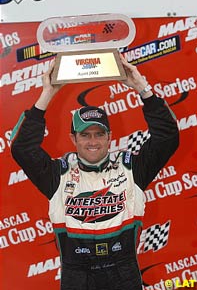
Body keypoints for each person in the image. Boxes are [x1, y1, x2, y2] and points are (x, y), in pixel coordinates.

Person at [10, 55, 179, 290]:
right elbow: (21, 148)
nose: (93, 141)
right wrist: (47, 94)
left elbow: (168, 137)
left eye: (99, 134)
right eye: (85, 135)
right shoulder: (58, 174)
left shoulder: (131, 168)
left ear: (109, 137)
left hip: (124, 273)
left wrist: (141, 87)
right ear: (73, 139)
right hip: (77, 275)